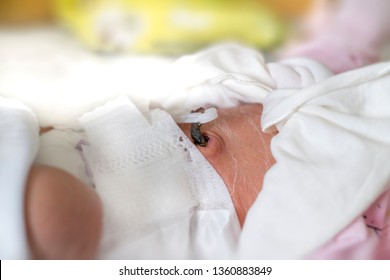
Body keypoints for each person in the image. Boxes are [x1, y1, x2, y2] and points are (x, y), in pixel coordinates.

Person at [3, 0, 390, 260]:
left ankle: (351, 29)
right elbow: (61, 213)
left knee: (323, 61)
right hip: (335, 217)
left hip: (281, 96)